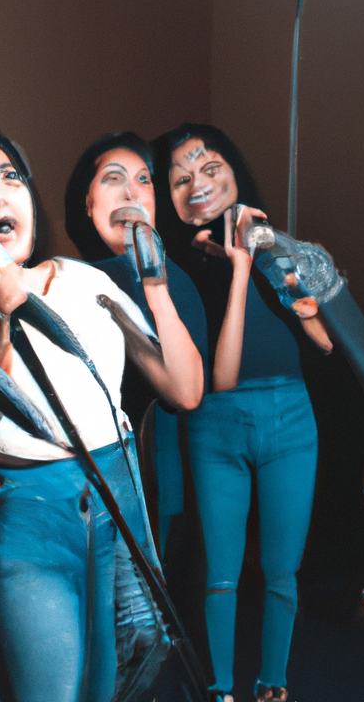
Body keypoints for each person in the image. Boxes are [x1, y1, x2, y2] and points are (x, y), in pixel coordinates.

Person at [0, 123, 203, 702]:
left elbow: (185, 391)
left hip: (120, 498)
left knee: (139, 656)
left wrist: (154, 284)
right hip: (31, 519)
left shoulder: (85, 281)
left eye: (10, 177)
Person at [152, 123, 331, 702]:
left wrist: (269, 252)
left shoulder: (277, 247)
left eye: (210, 168)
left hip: (292, 418)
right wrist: (234, 267)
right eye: (180, 179)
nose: (197, 184)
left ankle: (274, 685)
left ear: (235, 171)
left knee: (282, 572)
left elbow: (327, 341)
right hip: (216, 426)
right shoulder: (174, 273)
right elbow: (221, 378)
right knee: (221, 574)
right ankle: (221, 691)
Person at [63, 131, 208, 559]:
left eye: (144, 180)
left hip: (156, 485)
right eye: (113, 178)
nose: (131, 191)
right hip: (78, 484)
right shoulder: (67, 281)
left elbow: (186, 393)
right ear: (88, 205)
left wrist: (154, 285)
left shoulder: (175, 281)